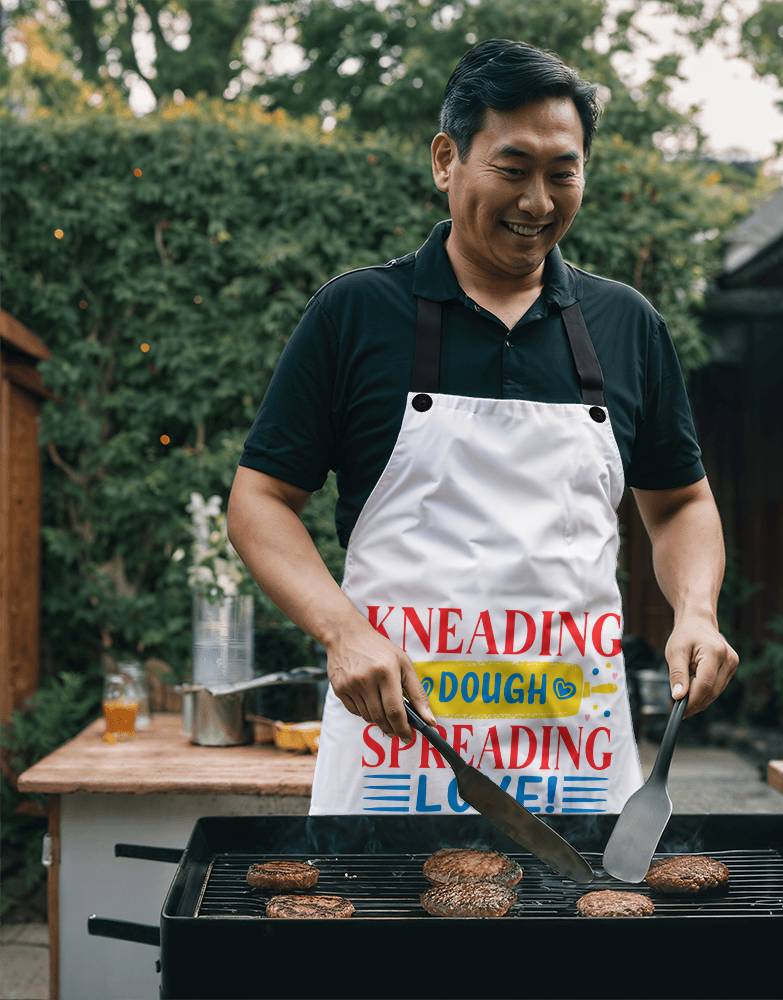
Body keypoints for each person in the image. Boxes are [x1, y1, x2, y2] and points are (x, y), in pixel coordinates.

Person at [228, 38, 738, 816]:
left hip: (575, 749)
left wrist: (695, 610)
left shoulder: (625, 325)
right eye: (513, 168)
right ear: (446, 160)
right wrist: (342, 632)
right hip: (396, 748)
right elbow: (260, 500)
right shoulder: (356, 314)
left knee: (581, 930)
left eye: (562, 173)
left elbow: (679, 504)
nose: (538, 201)